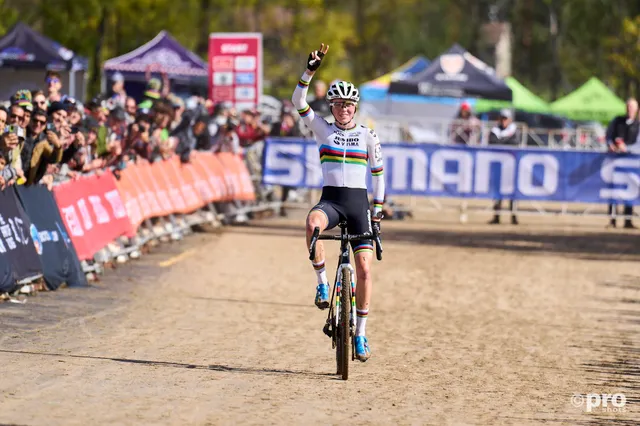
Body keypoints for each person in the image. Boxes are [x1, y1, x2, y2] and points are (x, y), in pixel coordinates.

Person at [292, 43, 385, 362]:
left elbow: (378, 174)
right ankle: (322, 284)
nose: (344, 109)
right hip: (331, 201)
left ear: (355, 108)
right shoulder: (322, 130)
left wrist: (379, 210)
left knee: (364, 269)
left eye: (349, 104)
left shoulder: (368, 136)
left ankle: (360, 335)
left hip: (359, 205)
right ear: (331, 107)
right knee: (311, 223)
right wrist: (309, 71)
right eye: (339, 104)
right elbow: (297, 101)